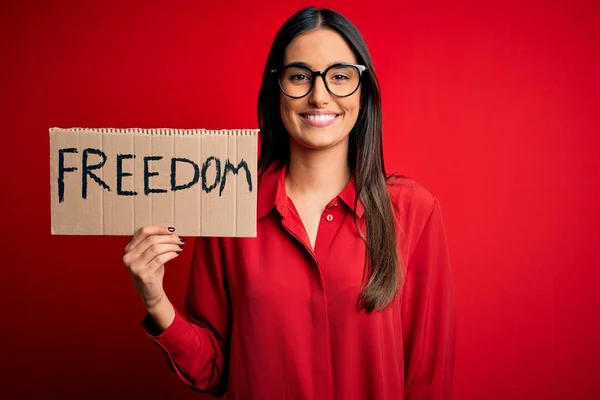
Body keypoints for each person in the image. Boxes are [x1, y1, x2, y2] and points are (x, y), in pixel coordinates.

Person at [122, 6, 455, 400]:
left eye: (340, 77)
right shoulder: (230, 208)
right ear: (276, 90)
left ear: (363, 93)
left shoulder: (413, 211)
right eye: (299, 76)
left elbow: (428, 377)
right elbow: (213, 370)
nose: (319, 95)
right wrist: (154, 297)